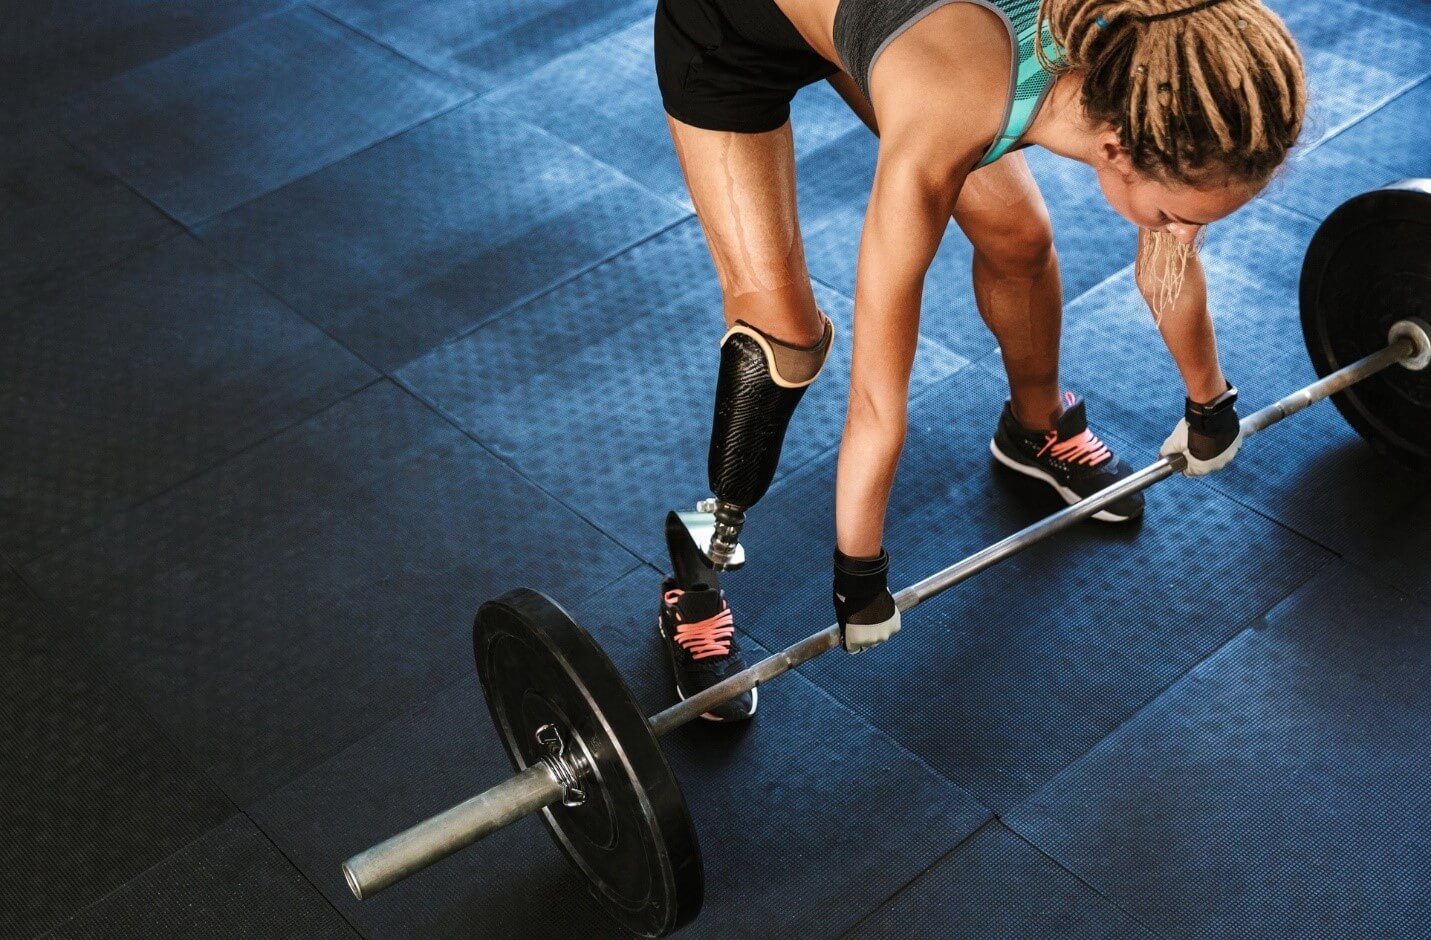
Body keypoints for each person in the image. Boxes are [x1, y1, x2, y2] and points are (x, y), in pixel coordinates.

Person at [651, 0, 1306, 720]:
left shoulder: (1149, 62)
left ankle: (1035, 428)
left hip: (900, 27)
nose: (1181, 235)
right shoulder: (947, 109)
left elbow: (1168, 258)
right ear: (1117, 150)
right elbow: (875, 400)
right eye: (1175, 215)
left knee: (1017, 237)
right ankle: (700, 566)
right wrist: (859, 571)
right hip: (735, 25)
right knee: (782, 339)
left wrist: (1209, 403)